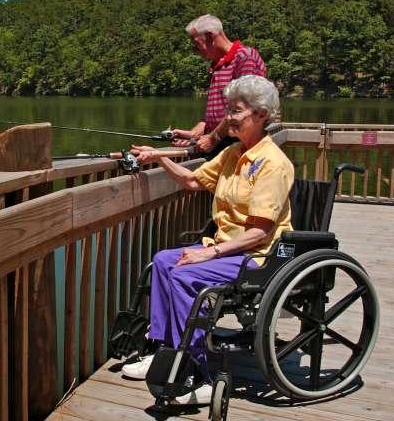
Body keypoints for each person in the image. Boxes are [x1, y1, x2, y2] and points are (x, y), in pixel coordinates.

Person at [121, 75, 294, 405]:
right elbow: (192, 181)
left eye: (237, 111)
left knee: (185, 275)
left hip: (256, 257)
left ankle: (199, 371)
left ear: (260, 115)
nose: (228, 116)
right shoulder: (233, 154)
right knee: (162, 261)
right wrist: (158, 156)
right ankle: (165, 350)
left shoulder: (272, 163)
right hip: (224, 248)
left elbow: (260, 231)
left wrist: (208, 254)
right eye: (229, 109)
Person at [173, 15, 267, 158]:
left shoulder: (244, 57)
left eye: (196, 44)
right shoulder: (218, 65)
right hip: (222, 144)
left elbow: (244, 109)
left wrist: (213, 138)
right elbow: (215, 115)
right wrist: (195, 133)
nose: (195, 50)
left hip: (237, 146)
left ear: (210, 36)